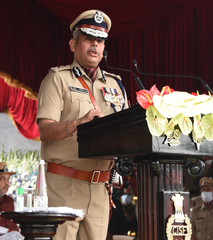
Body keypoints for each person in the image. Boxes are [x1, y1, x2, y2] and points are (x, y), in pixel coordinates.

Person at [37, 9, 128, 240]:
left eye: (100, 41)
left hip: (100, 187)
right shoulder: (57, 79)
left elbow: (128, 130)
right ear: (73, 44)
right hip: (65, 182)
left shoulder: (116, 85)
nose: (95, 46)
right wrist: (78, 123)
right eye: (89, 39)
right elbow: (45, 131)